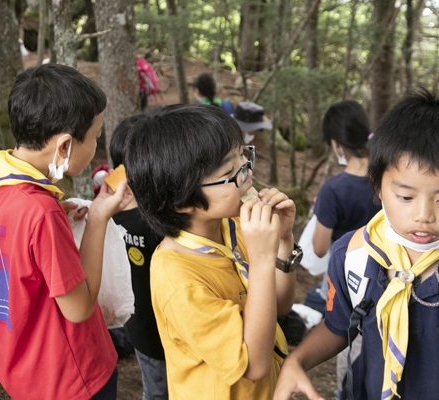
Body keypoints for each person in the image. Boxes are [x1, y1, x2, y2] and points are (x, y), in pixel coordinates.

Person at [273, 89, 439, 400]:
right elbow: (338, 326)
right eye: (405, 196)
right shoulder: (353, 255)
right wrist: (296, 361)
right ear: (377, 185)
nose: (423, 216)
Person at [0, 64, 132, 400]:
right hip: (71, 377)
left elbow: (3, 234)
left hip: (16, 362)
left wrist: (51, 223)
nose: (96, 146)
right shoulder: (41, 213)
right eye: (95, 137)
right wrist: (97, 219)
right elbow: (79, 309)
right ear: (65, 146)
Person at [125, 104, 299, 399]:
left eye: (244, 156)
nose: (248, 173)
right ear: (183, 202)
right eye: (231, 172)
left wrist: (283, 240)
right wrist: (260, 260)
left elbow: (280, 306)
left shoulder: (235, 225)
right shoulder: (177, 279)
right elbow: (253, 365)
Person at [107, 115, 168, 400]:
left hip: (139, 327)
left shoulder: (109, 210)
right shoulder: (160, 221)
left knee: (154, 390)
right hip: (160, 329)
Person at [304, 100, 381, 315]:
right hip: (385, 272)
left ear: (336, 144)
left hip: (345, 278)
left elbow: (319, 249)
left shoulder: (333, 190)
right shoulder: (388, 178)